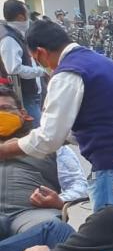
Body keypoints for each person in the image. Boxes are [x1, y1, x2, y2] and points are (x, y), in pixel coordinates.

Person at [0, 21, 113, 210]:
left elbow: (48, 138)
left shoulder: (68, 74)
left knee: (111, 233)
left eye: (36, 59)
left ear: (40, 52)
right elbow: (93, 122)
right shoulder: (102, 62)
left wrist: (5, 150)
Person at [0, 84, 88, 234]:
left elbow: (79, 186)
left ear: (24, 114)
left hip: (33, 214)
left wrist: (60, 201)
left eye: (5, 108)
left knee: (56, 230)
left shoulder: (49, 144)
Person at [0, 1, 45, 126]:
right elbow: (14, 69)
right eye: (27, 14)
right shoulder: (9, 39)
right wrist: (40, 71)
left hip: (32, 92)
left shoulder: (17, 35)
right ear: (21, 17)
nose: (29, 18)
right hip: (25, 95)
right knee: (37, 129)